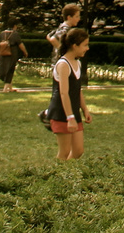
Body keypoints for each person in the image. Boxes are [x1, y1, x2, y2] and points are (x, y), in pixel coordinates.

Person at [49, 28, 93, 160]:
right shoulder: (63, 64)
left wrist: (84, 109)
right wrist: (70, 117)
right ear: (75, 46)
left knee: (78, 151)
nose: (87, 48)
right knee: (65, 151)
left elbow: (77, 90)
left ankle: (64, 173)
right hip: (62, 113)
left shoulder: (77, 62)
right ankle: (55, 176)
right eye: (85, 45)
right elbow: (63, 93)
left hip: (74, 112)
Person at [0, 22, 27, 92]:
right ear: (15, 26)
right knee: (10, 70)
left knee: (4, 68)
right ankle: (5, 89)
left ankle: (10, 88)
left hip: (2, 53)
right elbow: (20, 44)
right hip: (12, 54)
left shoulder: (2, 33)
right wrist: (25, 52)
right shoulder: (15, 34)